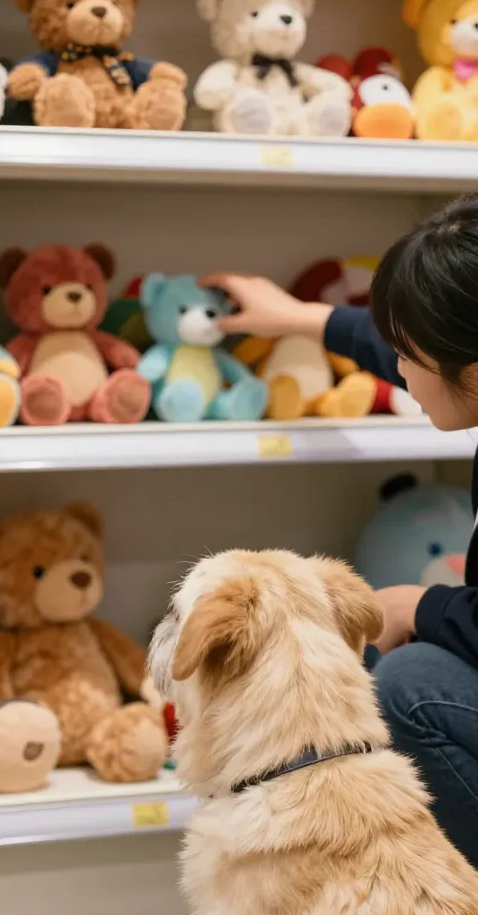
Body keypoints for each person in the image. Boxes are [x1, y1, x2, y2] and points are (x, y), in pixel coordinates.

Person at [203, 194, 478, 868]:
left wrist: (419, 605)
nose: (400, 369)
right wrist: (300, 318)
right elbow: (416, 354)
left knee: (411, 685)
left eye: (409, 354)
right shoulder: (461, 366)